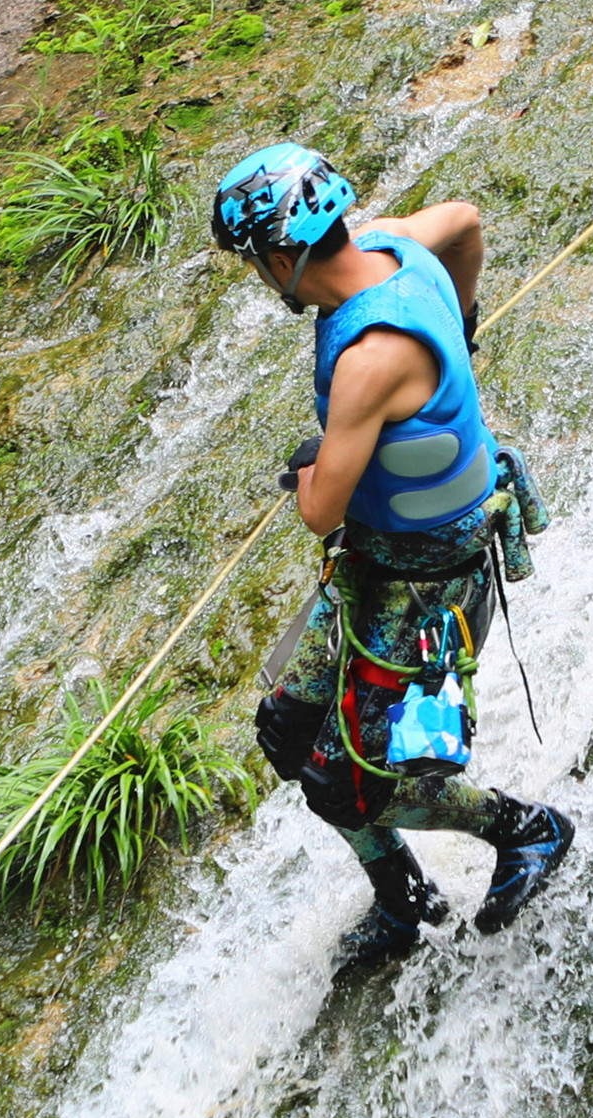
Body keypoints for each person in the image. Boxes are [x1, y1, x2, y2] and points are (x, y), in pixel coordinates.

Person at [213, 144, 574, 983]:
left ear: (278, 258)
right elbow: (466, 222)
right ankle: (401, 898)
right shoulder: (396, 245)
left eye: (254, 265)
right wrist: (465, 321)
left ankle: (525, 829)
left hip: (426, 594)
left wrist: (313, 462)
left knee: (358, 783)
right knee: (289, 732)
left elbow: (318, 511)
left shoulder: (369, 361)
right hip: (380, 569)